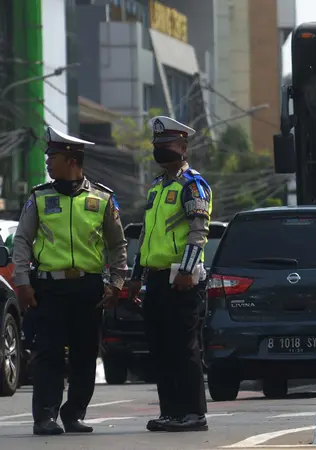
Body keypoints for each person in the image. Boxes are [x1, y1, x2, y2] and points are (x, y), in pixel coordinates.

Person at [12, 127, 126, 436]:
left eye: (53, 156)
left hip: (88, 289)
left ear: (72, 159)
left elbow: (118, 245)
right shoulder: (39, 197)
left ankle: (74, 413)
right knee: (48, 354)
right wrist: (23, 282)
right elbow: (22, 242)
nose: (48, 161)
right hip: (49, 288)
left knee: (85, 354)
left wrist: (116, 282)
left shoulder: (102, 199)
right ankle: (45, 416)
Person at [128, 116, 211, 433]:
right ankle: (171, 412)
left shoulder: (193, 185)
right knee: (160, 348)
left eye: (166, 145)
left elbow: (198, 233)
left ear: (183, 147)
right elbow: (148, 236)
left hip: (182, 279)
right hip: (157, 279)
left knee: (183, 346)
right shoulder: (157, 188)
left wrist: (187, 270)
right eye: (156, 146)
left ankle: (193, 413)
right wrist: (137, 275)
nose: (160, 150)